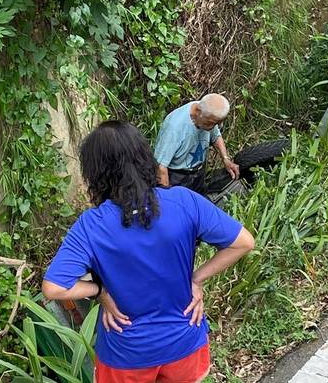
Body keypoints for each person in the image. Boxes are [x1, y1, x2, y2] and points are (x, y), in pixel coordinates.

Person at [42, 120, 255, 383]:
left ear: (95, 172)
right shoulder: (184, 201)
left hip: (126, 354)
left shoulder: (91, 225)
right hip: (184, 343)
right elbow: (243, 242)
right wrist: (196, 279)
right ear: (144, 156)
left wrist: (100, 292)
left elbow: (53, 288)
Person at [153, 94, 240, 194]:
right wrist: (168, 195)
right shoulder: (175, 127)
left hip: (198, 173)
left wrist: (226, 159)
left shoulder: (209, 113)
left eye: (216, 123)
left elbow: (216, 136)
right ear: (198, 112)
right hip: (177, 177)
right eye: (210, 123)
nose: (213, 127)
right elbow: (160, 167)